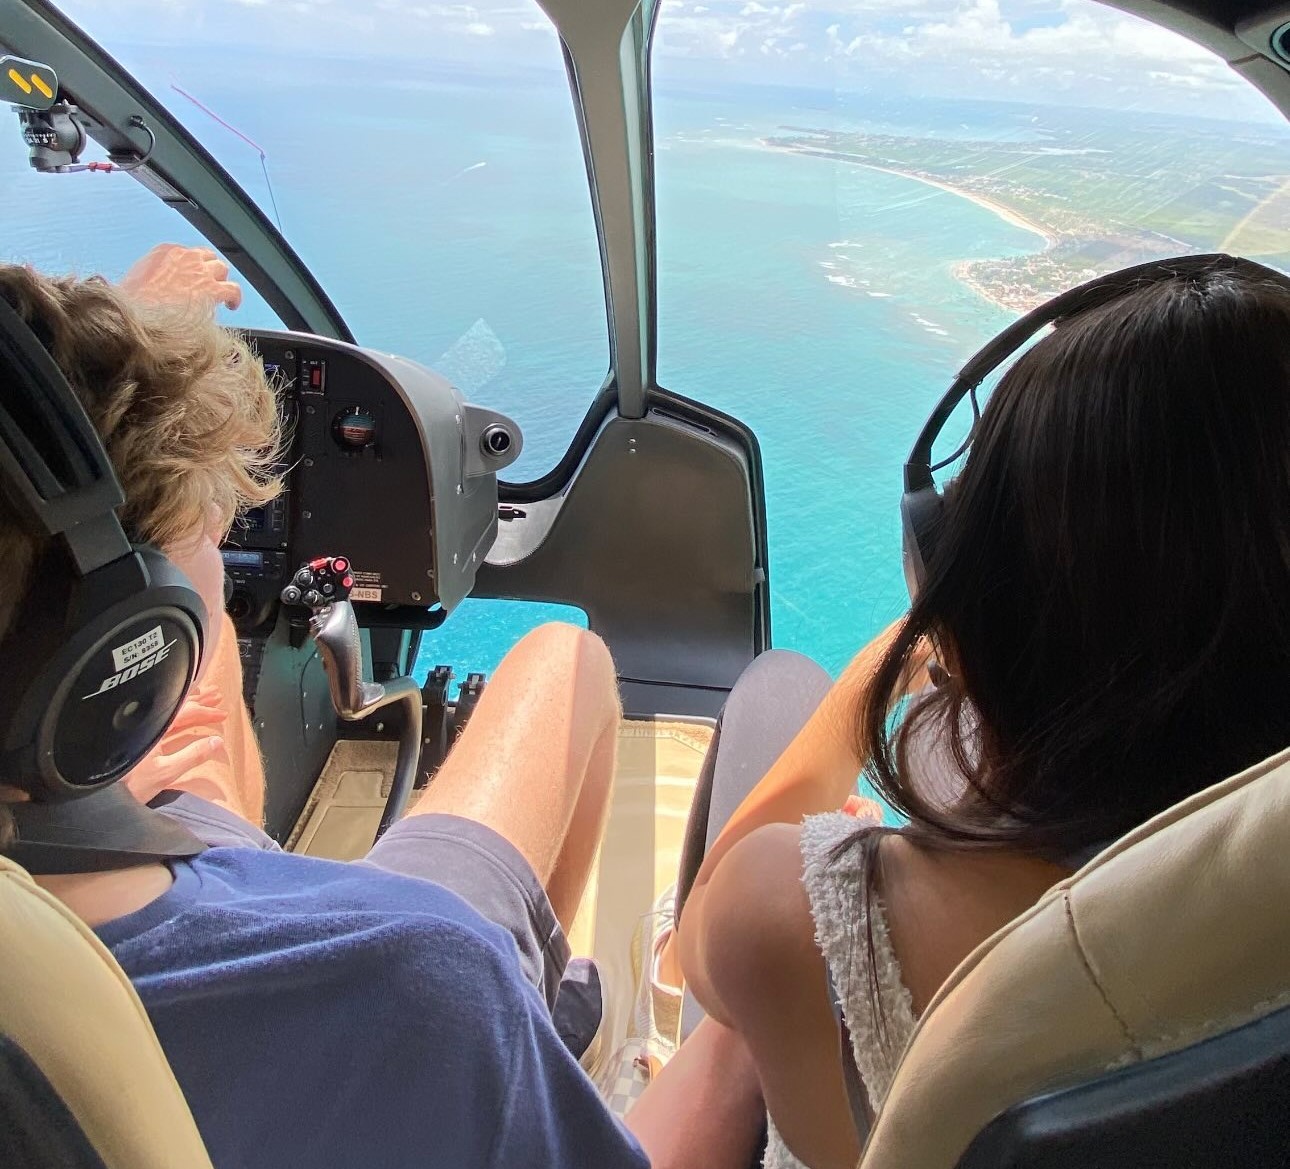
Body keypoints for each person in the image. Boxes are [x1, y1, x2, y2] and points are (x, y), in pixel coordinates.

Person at [0, 245, 763, 1168]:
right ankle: (541, 1013)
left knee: (199, 754)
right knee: (567, 662)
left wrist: (88, 373)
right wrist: (750, 1007)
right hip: (416, 1022)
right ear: (125, 645)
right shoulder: (410, 980)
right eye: (206, 526)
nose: (225, 545)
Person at [673, 258, 1290, 1169]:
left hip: (790, 999)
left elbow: (700, 948)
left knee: (775, 687)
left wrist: (878, 671)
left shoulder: (792, 907)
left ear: (963, 582)